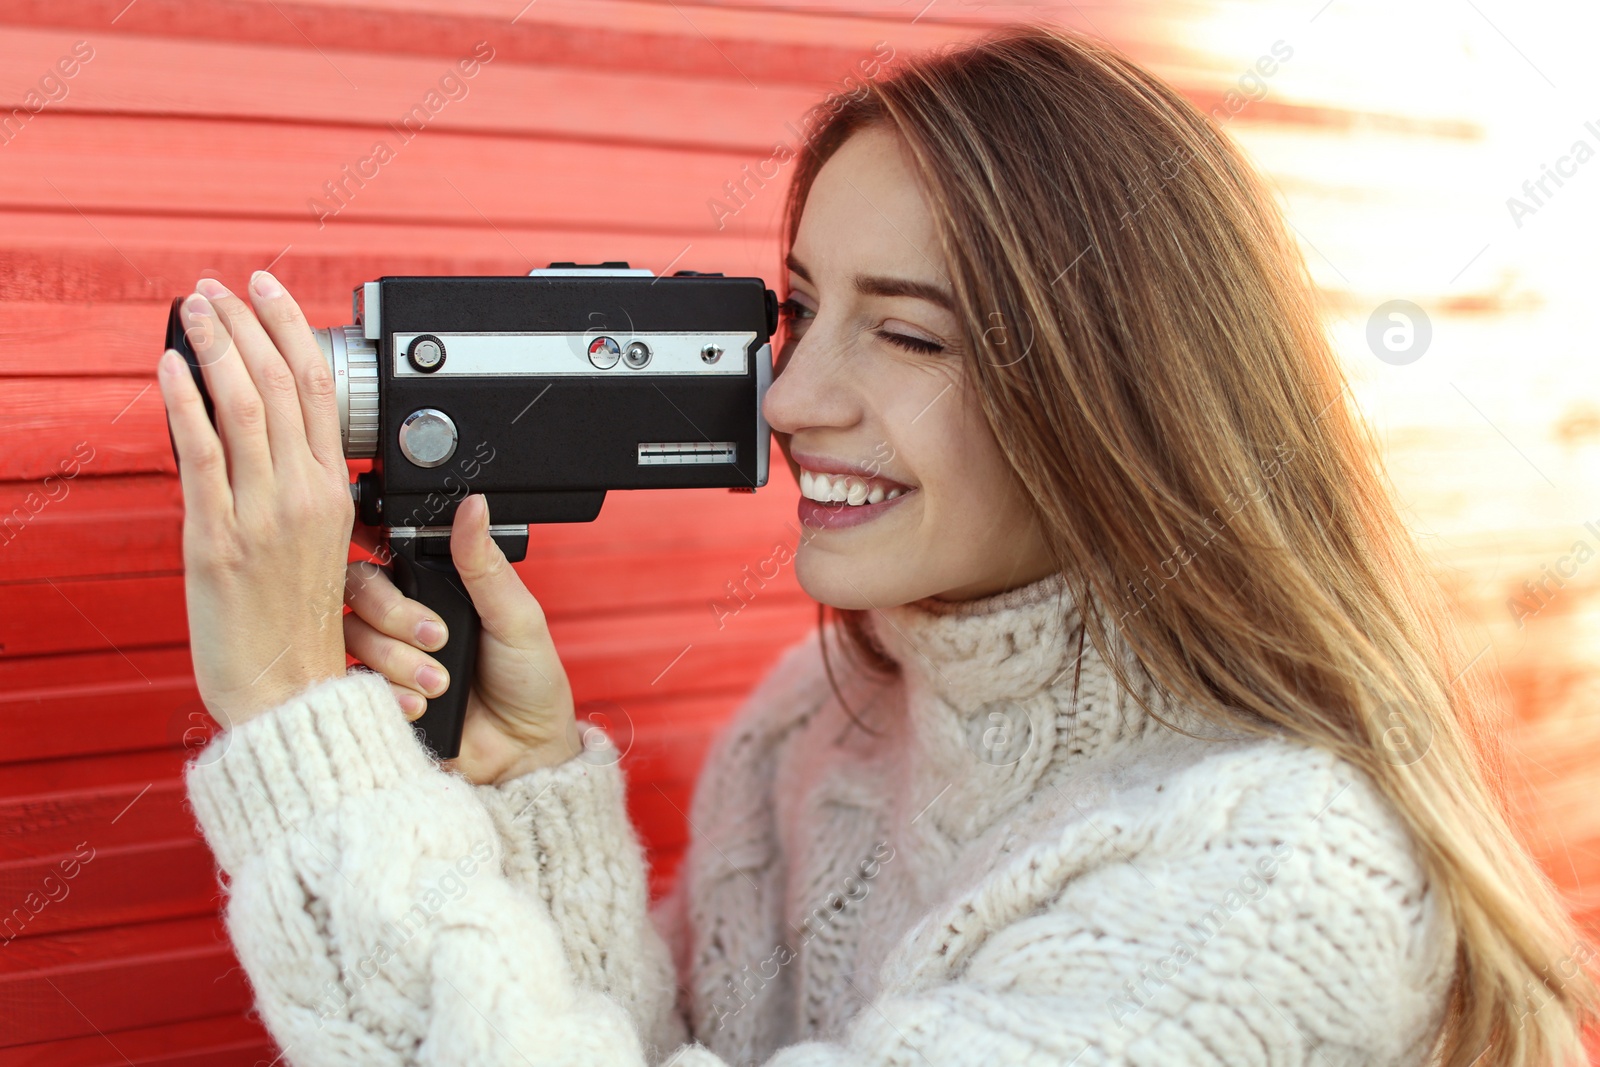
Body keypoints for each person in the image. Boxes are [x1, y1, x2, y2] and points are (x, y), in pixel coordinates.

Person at [157, 24, 1595, 1067]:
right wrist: (531, 790)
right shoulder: (812, 733)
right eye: (799, 309)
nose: (790, 398)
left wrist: (298, 725)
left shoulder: (1268, 878)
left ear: (1120, 394)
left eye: (905, 333)